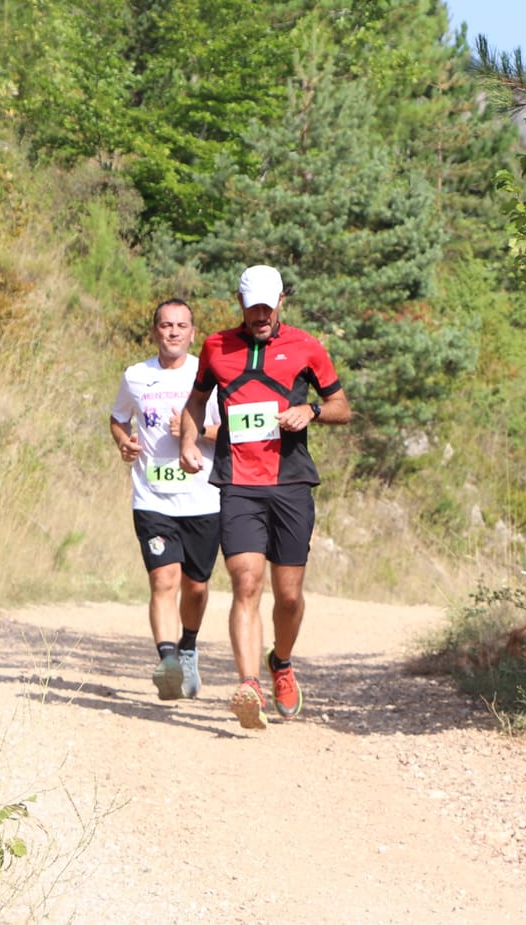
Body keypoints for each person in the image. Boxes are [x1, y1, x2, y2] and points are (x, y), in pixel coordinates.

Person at [180, 265, 350, 729]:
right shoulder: (216, 346)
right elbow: (196, 401)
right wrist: (188, 443)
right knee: (246, 583)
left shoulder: (307, 347)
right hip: (238, 484)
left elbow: (342, 407)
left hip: (291, 483)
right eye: (251, 305)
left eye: (266, 306)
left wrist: (309, 410)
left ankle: (283, 662)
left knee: (289, 596)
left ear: (281, 303)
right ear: (240, 301)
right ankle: (248, 683)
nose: (259, 314)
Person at [108, 298, 221, 701]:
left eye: (181, 326)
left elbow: (230, 435)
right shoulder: (136, 376)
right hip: (152, 497)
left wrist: (194, 431)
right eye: (165, 325)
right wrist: (124, 442)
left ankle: (188, 646)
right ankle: (168, 660)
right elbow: (118, 417)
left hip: (203, 498)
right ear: (155, 331)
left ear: (193, 333)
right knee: (163, 580)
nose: (172, 332)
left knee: (195, 587)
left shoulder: (209, 377)